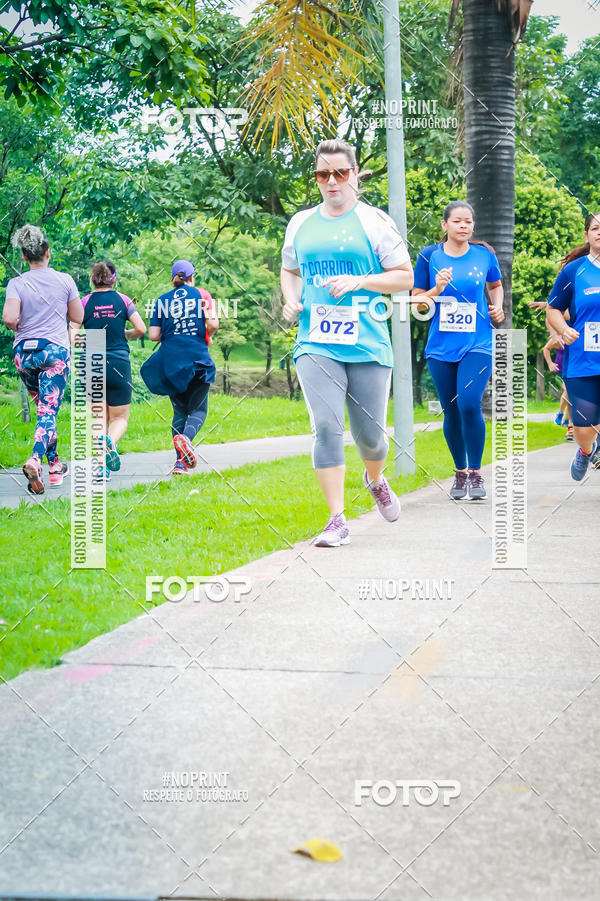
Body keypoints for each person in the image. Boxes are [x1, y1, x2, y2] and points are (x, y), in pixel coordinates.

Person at [281, 139, 413, 547]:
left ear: (355, 174)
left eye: (340, 173)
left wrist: (360, 281)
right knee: (325, 426)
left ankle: (374, 478)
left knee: (371, 436)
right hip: (316, 341)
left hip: (368, 342)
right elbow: (289, 269)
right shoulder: (300, 223)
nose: (332, 181)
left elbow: (405, 278)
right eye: (323, 174)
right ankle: (336, 519)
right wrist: (291, 298)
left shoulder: (374, 222)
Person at [412, 201, 504, 501]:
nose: (464, 226)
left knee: (468, 403)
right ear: (445, 225)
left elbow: (496, 284)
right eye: (457, 221)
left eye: (468, 222)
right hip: (441, 347)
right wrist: (436, 289)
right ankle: (460, 471)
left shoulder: (484, 255)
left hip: (478, 343)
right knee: (450, 410)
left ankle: (477, 473)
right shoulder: (429, 256)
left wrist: (498, 305)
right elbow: (417, 303)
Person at [2, 225, 83, 494]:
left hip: (24, 357)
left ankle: (56, 465)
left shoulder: (17, 283)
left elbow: (9, 319)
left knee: (43, 412)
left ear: (24, 257)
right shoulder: (65, 280)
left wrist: (22, 328)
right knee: (48, 412)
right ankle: (35, 459)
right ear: (48, 252)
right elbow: (78, 317)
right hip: (54, 354)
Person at [142, 260, 219, 474]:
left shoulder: (161, 300)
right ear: (193, 276)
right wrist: (206, 337)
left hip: (170, 362)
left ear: (174, 279)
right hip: (197, 360)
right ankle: (186, 439)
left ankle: (180, 464)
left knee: (179, 411)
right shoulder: (202, 295)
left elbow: (154, 335)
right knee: (198, 409)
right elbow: (212, 324)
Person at [77, 260, 146, 480]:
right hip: (118, 360)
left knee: (98, 417)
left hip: (92, 359)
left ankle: (101, 467)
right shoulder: (123, 300)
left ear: (92, 279)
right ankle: (111, 442)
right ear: (114, 278)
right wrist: (126, 335)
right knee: (120, 418)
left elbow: (73, 333)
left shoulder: (84, 302)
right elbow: (141, 329)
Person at [546, 212, 600, 480]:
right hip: (583, 360)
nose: (599, 232)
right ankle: (585, 450)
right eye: (595, 228)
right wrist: (564, 329)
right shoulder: (574, 270)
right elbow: (553, 308)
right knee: (584, 426)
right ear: (587, 235)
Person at [542, 334, 572, 438]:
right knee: (568, 391)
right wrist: (550, 363)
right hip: (560, 371)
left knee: (569, 393)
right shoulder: (560, 336)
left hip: (572, 371)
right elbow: (546, 348)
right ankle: (564, 418)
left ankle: (563, 418)